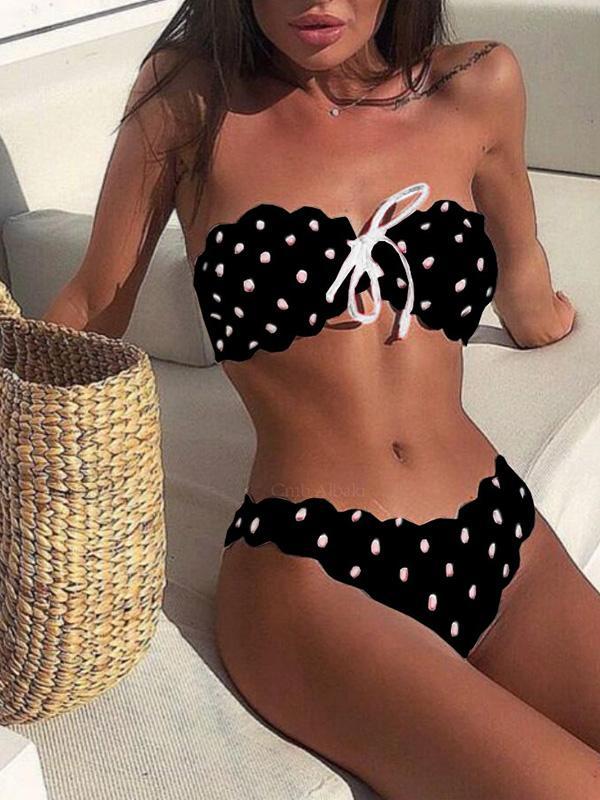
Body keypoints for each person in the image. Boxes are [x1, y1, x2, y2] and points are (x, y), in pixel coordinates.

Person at [42, 2, 600, 797]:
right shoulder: (190, 102)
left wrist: (546, 321)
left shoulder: (480, 85)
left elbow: (525, 281)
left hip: (500, 535)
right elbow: (94, 304)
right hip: (317, 574)